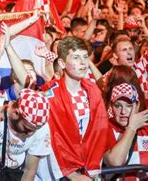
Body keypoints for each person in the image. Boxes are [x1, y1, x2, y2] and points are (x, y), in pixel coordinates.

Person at [41, 36, 108, 180]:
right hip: (58, 172)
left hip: (89, 170)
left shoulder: (93, 91)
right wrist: (71, 175)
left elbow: (99, 132)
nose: (83, 62)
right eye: (76, 58)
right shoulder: (48, 95)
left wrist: (93, 170)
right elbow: (49, 139)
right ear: (62, 63)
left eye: (85, 57)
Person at [105, 83, 148, 180]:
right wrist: (132, 128)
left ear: (137, 106)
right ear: (111, 106)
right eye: (117, 106)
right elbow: (115, 162)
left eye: (129, 106)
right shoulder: (105, 128)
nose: (123, 112)